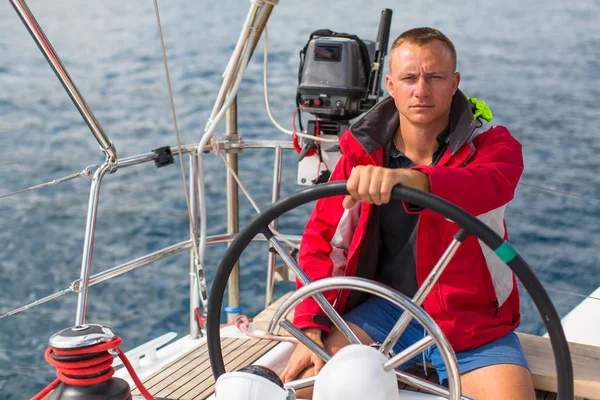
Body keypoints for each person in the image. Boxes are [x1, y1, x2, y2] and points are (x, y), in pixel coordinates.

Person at [280, 27, 535, 399]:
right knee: (300, 389)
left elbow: (490, 185)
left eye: (434, 77)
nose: (421, 90)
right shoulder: (359, 154)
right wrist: (310, 323)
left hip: (471, 323)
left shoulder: (493, 146)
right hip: (385, 311)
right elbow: (321, 242)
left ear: (455, 83)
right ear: (390, 85)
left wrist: (408, 179)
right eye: (409, 78)